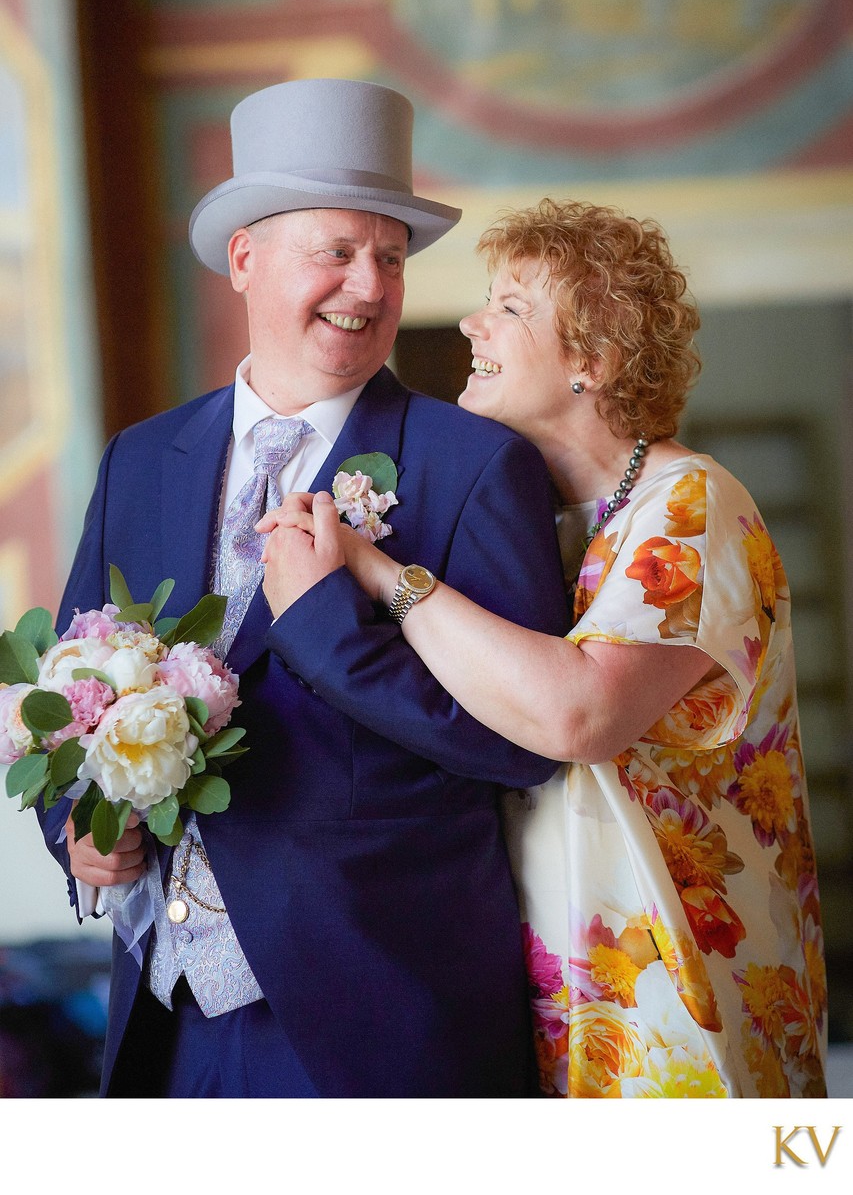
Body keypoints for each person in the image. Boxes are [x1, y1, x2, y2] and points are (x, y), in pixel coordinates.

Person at [38, 80, 571, 1098]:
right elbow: (72, 696)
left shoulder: (472, 467)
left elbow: (521, 744)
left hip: (383, 1019)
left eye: (390, 256)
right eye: (337, 250)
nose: (368, 286)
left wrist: (333, 627)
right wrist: (78, 830)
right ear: (245, 257)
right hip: (165, 1025)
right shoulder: (142, 459)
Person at [267, 197, 829, 1099]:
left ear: (592, 363)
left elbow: (579, 713)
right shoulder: (540, 519)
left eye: (511, 308)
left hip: (674, 999)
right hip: (542, 991)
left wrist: (379, 577)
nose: (468, 322)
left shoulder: (691, 505)